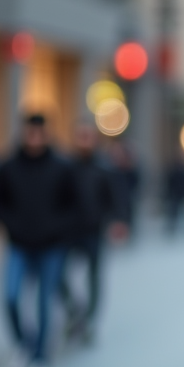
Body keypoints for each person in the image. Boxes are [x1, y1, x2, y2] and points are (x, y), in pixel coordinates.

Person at [0, 114, 77, 367]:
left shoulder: (61, 166)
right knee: (10, 296)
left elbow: (73, 204)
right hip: (18, 243)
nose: (34, 138)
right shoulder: (9, 166)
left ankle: (41, 360)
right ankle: (24, 346)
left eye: (38, 133)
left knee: (44, 303)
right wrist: (10, 225)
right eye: (29, 132)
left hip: (51, 246)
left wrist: (58, 229)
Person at [59, 124, 115, 345]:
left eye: (87, 137)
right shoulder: (67, 168)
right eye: (80, 137)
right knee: (59, 275)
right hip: (69, 231)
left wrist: (115, 221)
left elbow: (113, 198)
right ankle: (74, 310)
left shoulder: (104, 168)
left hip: (94, 231)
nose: (84, 142)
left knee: (94, 276)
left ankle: (91, 320)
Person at [163, 156, 184, 238]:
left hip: (182, 195)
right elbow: (169, 183)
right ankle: (173, 228)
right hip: (175, 195)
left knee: (183, 212)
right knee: (174, 213)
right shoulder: (173, 171)